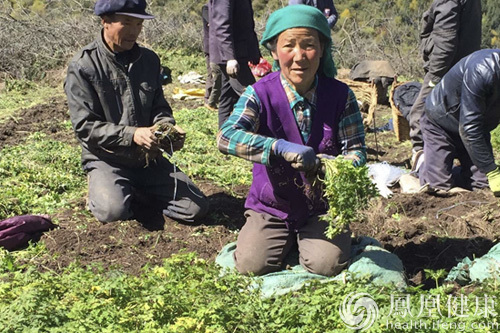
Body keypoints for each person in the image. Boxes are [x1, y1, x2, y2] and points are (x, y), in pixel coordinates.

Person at [217, 5, 366, 277]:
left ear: (322, 49)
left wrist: (333, 167)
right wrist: (277, 147)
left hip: (321, 208)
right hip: (272, 207)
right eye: (289, 46)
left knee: (326, 265)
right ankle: (281, 240)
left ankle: (312, 242)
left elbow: (356, 150)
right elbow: (226, 137)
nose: (299, 57)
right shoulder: (259, 94)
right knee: (251, 265)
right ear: (274, 51)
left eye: (309, 45)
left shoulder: (341, 96)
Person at [64, 0, 209, 224]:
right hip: (107, 158)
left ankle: (134, 190)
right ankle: (105, 188)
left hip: (146, 159)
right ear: (105, 22)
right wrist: (132, 135)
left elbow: (159, 107)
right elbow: (85, 127)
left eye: (139, 25)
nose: (134, 32)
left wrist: (166, 129)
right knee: (113, 213)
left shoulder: (149, 60)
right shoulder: (84, 66)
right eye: (127, 23)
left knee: (195, 208)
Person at [408, 0, 482, 171]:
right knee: (461, 117)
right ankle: (471, 170)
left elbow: (446, 42)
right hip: (464, 67)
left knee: (420, 115)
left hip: (446, 70)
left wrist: (434, 77)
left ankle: (427, 169)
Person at [419, 49, 500, 195]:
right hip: (440, 121)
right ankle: (422, 167)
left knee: (483, 186)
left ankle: (457, 172)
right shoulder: (482, 70)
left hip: (476, 127)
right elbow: (469, 129)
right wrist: (491, 170)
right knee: (439, 187)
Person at [208, 0, 261, 128]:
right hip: (231, 56)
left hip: (239, 54)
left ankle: (225, 134)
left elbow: (247, 25)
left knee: (227, 97)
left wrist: (254, 51)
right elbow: (222, 26)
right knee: (253, 95)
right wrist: (230, 58)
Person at [202, 3, 221, 111]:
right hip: (210, 47)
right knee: (212, 74)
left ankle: (211, 100)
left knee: (214, 74)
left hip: (218, 46)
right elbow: (212, 23)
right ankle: (208, 100)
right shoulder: (206, 8)